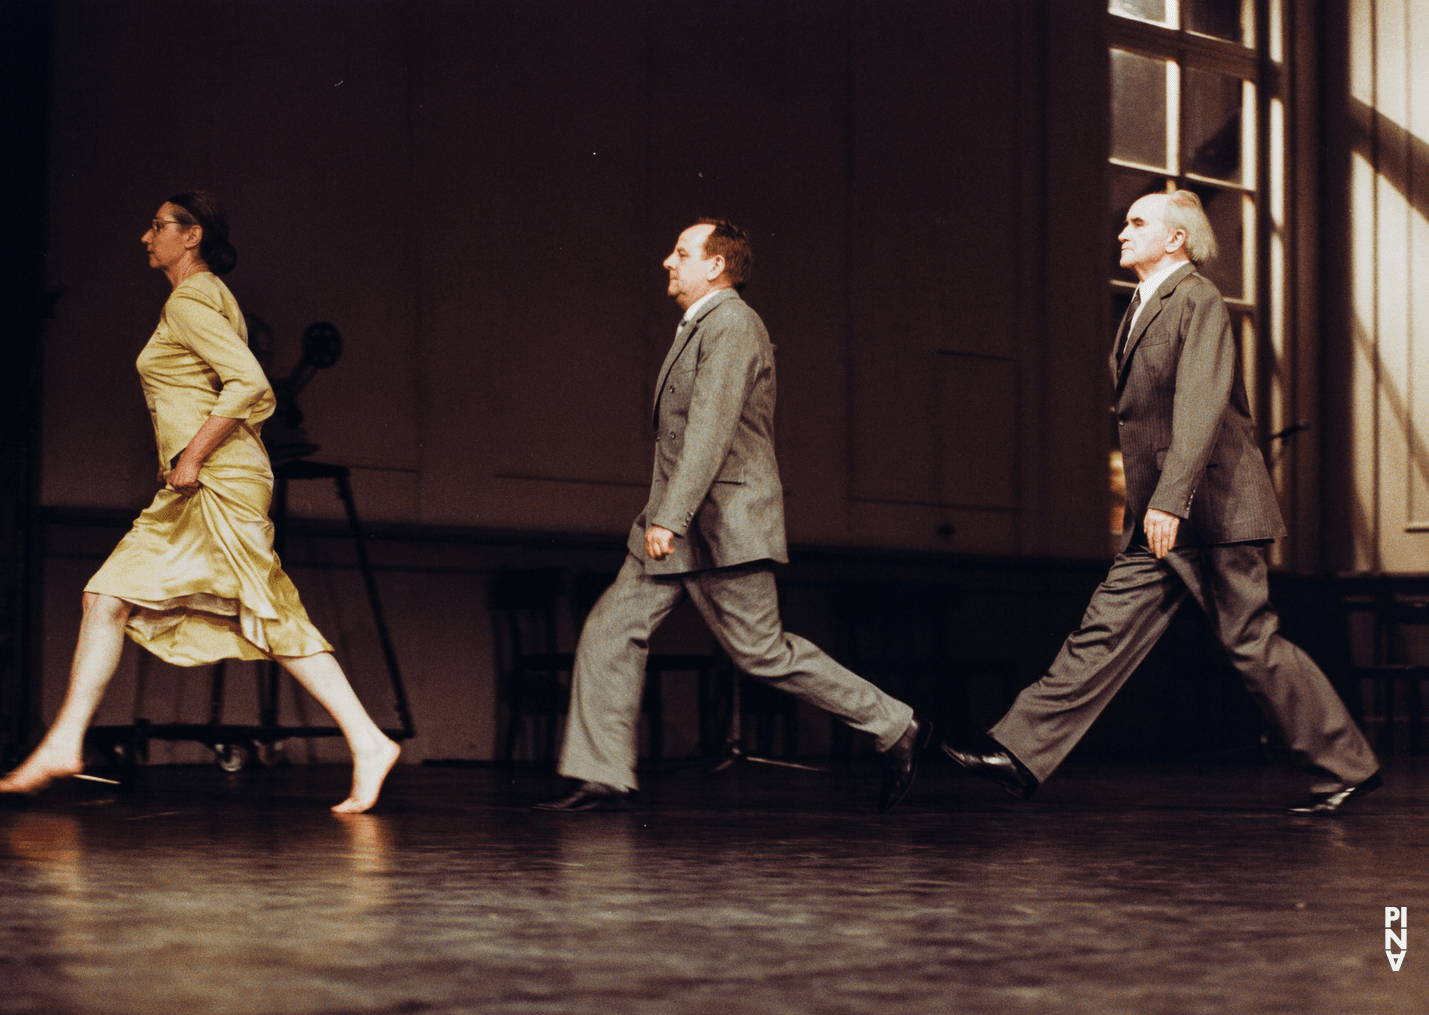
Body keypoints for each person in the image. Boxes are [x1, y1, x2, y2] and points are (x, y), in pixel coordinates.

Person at [942, 191, 1382, 815]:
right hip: (1163, 512)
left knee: (1250, 641)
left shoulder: (1196, 297)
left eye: (1137, 222)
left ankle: (1349, 766)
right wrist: (1157, 503)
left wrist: (1171, 501)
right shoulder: (1142, 305)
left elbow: (1201, 405)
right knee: (1105, 627)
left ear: (1176, 239)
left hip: (1214, 509)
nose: (1122, 232)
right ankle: (1017, 754)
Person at [0, 192, 399, 812]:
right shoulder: (203, 298)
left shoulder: (190, 300)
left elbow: (251, 384)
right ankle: (65, 742)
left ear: (192, 235)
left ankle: (369, 742)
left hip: (216, 479)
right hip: (203, 482)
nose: (145, 236)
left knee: (263, 611)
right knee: (108, 598)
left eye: (157, 226)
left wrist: (192, 456)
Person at [536, 219, 932, 813]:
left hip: (718, 524)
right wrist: (664, 519)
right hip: (677, 525)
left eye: (681, 253)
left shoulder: (734, 326)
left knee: (761, 652)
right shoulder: (702, 326)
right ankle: (603, 773)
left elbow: (709, 434)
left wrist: (667, 518)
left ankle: (894, 724)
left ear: (715, 266)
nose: (667, 261)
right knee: (610, 632)